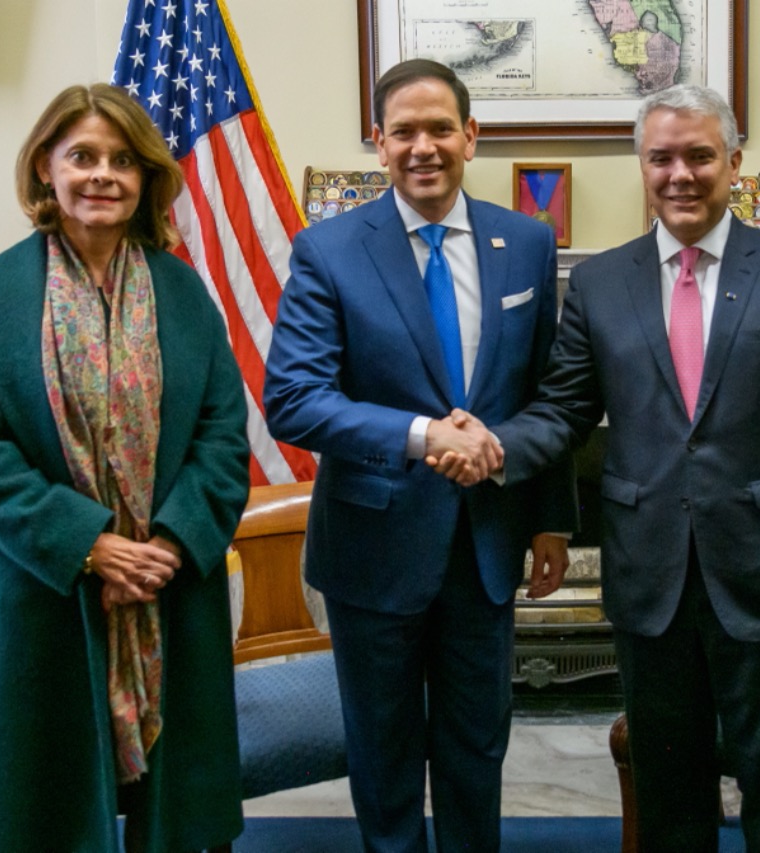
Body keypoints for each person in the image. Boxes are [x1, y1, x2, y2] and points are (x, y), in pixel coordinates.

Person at [444, 85, 760, 851]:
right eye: (661, 157)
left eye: (700, 155)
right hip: (650, 580)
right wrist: (496, 447)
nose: (681, 173)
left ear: (733, 162)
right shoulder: (602, 283)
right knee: (670, 790)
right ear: (642, 166)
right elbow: (564, 410)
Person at [263, 58, 575, 853]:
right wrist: (422, 435)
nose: (423, 146)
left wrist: (551, 523)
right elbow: (294, 397)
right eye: (404, 131)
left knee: (478, 746)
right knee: (385, 752)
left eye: (441, 128)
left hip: (487, 542)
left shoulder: (528, 243)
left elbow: (549, 393)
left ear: (473, 136)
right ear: (379, 142)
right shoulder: (328, 250)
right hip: (373, 546)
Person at [0, 83, 249, 853]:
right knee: (49, 805)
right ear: (46, 167)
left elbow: (223, 432)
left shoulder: (182, 291)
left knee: (175, 815)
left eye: (122, 160)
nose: (102, 174)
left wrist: (166, 546)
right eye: (82, 156)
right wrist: (90, 544)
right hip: (51, 588)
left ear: (145, 178)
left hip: (169, 583)